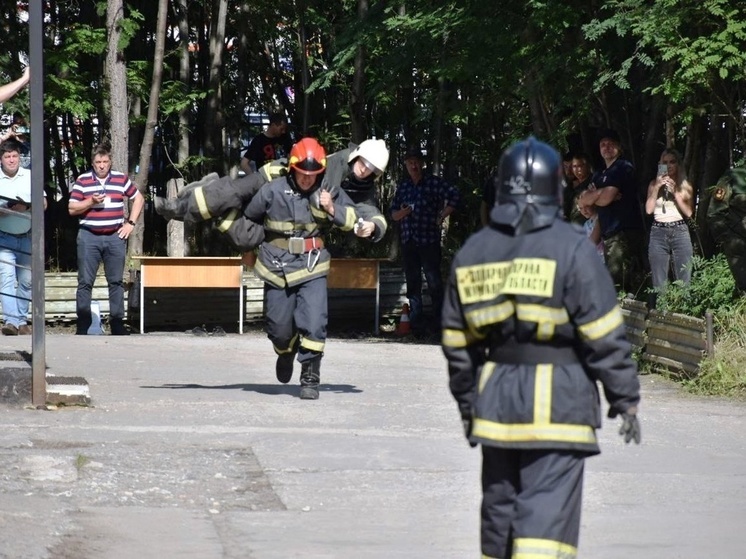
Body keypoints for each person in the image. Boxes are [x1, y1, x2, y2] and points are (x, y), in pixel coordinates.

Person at [441, 136, 641, 559]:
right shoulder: (573, 250)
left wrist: (467, 404)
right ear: (557, 189)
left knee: (500, 512)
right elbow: (604, 334)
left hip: (497, 405)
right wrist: (625, 398)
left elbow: (459, 346)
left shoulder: (474, 253)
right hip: (561, 405)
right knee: (546, 521)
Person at [243, 137, 364, 400]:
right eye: (303, 174)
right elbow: (248, 221)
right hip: (275, 265)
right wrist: (247, 254)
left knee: (314, 321)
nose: (308, 179)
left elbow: (354, 219)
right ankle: (285, 351)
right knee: (278, 328)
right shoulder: (271, 190)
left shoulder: (328, 190)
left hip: (312, 264)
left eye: (313, 174)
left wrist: (332, 208)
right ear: (293, 169)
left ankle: (310, 376)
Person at [155, 139, 390, 251]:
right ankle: (178, 206)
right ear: (356, 155)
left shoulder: (363, 192)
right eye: (365, 163)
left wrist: (372, 228)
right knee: (234, 192)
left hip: (287, 209)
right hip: (279, 176)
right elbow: (310, 168)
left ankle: (212, 189)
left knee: (245, 238)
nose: (365, 170)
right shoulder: (338, 163)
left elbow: (374, 216)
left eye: (373, 170)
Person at [68, 142, 144, 336]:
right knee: (85, 281)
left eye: (105, 162)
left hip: (114, 236)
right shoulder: (83, 180)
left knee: (116, 281)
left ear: (110, 162)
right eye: (98, 162)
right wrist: (90, 201)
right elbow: (72, 208)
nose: (101, 165)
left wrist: (131, 223)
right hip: (88, 236)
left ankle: (117, 324)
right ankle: (83, 326)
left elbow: (139, 198)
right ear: (92, 163)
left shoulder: (120, 179)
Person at [390, 147, 460, 335]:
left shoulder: (433, 183)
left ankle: (438, 324)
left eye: (416, 161)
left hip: (429, 239)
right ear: (405, 165)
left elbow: (455, 195)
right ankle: (416, 323)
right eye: (409, 162)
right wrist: (403, 213)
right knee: (413, 284)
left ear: (422, 163)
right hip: (408, 240)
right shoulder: (403, 187)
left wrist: (442, 215)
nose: (413, 165)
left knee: (434, 282)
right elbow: (393, 214)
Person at [579, 129, 646, 294]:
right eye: (603, 144)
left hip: (623, 233)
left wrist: (599, 196)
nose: (606, 147)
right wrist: (600, 196)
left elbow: (606, 198)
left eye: (611, 144)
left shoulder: (623, 167)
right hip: (607, 235)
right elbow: (583, 203)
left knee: (619, 284)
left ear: (619, 147)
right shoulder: (599, 175)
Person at [0, 139, 46, 335]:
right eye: (7, 156)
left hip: (27, 236)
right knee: (6, 278)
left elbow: (43, 204)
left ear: (20, 157)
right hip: (3, 238)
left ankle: (21, 320)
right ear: (1, 160)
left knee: (27, 280)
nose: (11, 160)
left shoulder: (30, 176)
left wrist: (25, 206)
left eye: (14, 156)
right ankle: (11, 321)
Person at [645, 148, 695, 297]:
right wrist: (657, 188)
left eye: (672, 162)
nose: (669, 165)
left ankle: (684, 314)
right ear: (660, 165)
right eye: (665, 163)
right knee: (659, 283)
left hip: (680, 230)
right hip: (658, 232)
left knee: (684, 278)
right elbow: (648, 210)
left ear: (678, 164)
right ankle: (662, 314)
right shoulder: (653, 184)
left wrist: (676, 193)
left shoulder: (685, 185)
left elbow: (689, 213)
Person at [563, 153, 593, 225]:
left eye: (580, 166)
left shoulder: (593, 182)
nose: (577, 170)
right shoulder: (568, 187)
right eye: (574, 166)